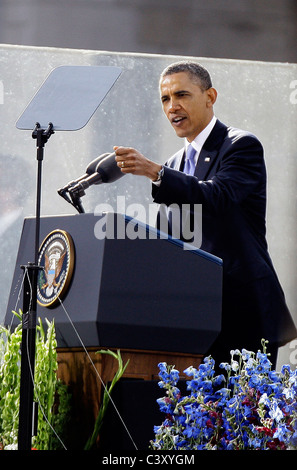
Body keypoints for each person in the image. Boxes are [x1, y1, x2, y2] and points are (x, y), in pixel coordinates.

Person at [114, 60, 297, 369]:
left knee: (242, 415)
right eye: (165, 99)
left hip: (240, 314)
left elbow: (217, 195)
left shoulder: (240, 146)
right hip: (190, 317)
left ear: (210, 97)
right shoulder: (173, 164)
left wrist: (155, 172)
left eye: (182, 95)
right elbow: (170, 242)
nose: (173, 106)